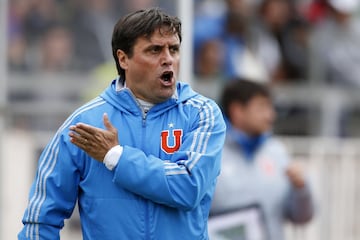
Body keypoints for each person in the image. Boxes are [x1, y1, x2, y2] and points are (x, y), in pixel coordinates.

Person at [18, 8, 226, 240]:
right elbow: (41, 221)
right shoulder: (84, 125)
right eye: (155, 50)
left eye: (174, 49)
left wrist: (116, 157)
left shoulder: (202, 114)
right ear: (123, 58)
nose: (168, 59)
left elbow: (188, 187)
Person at [209, 79, 314, 240]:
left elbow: (301, 217)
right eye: (261, 107)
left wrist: (301, 189)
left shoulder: (276, 151)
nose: (270, 115)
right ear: (237, 110)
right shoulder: (210, 152)